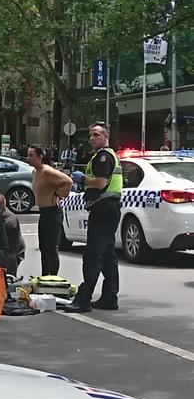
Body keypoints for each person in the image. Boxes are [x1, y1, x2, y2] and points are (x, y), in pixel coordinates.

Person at [63, 122, 122, 313]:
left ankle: (84, 298)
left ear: (106, 136)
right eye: (90, 135)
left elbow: (100, 182)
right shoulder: (103, 155)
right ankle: (109, 297)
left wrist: (83, 179)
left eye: (96, 135)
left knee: (93, 255)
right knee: (107, 255)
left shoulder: (103, 157)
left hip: (104, 209)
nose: (91, 138)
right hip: (107, 209)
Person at [27, 145, 72, 276]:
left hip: (53, 212)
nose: (28, 158)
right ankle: (45, 275)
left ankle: (52, 278)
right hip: (43, 212)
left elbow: (68, 181)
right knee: (43, 247)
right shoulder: (35, 172)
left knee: (51, 248)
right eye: (28, 155)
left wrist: (58, 194)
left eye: (31, 155)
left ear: (40, 157)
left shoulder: (47, 171)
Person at [0, 193, 26, 276]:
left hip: (12, 250)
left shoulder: (10, 223)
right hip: (0, 247)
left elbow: (9, 247)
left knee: (9, 264)